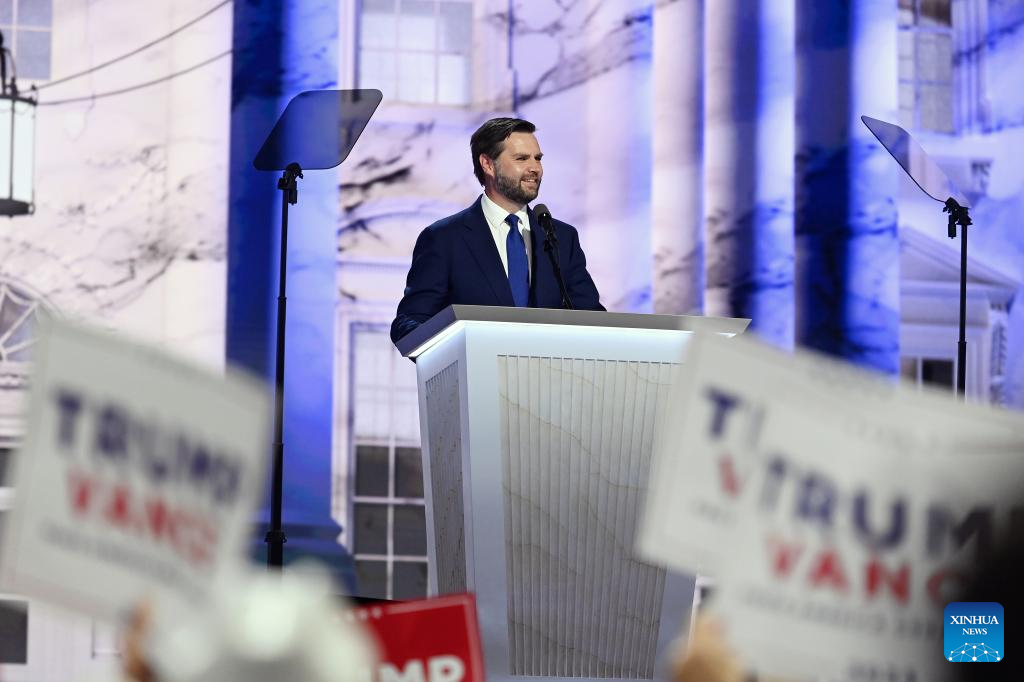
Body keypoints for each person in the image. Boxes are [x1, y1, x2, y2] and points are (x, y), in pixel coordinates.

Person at [390, 117, 605, 345]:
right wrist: (454, 351)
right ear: (488, 164)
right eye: (522, 158)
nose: (535, 168)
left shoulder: (561, 237)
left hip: (551, 377)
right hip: (477, 376)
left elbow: (593, 318)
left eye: (538, 158)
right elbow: (410, 321)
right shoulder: (445, 239)